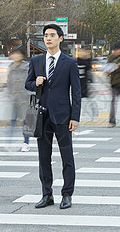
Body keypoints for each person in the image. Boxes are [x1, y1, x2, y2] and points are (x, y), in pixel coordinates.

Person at [25, 24, 81, 210]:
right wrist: (36, 83)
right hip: (42, 116)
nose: (48, 38)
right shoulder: (36, 61)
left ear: (60, 38)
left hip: (63, 116)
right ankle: (46, 194)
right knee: (44, 158)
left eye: (52, 35)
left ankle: (67, 195)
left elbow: (76, 93)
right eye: (46, 35)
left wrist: (75, 117)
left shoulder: (70, 63)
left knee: (67, 157)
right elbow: (28, 84)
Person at [7, 44, 30, 152]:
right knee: (12, 122)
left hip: (25, 99)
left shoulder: (27, 67)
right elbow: (9, 83)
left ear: (21, 56)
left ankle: (25, 143)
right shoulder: (11, 68)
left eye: (17, 54)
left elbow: (30, 82)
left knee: (25, 123)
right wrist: (10, 95)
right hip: (14, 100)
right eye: (13, 54)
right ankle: (8, 143)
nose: (15, 56)